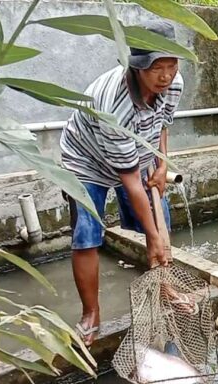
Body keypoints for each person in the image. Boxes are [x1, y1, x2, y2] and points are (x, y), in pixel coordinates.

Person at [60, 19, 184, 347]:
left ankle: (164, 288)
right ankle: (91, 312)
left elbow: (162, 123)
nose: (166, 76)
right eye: (158, 67)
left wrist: (161, 162)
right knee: (87, 234)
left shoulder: (173, 83)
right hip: (86, 161)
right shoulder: (113, 103)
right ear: (138, 67)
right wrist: (154, 238)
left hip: (136, 151)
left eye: (172, 66)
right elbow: (129, 182)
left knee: (160, 223)